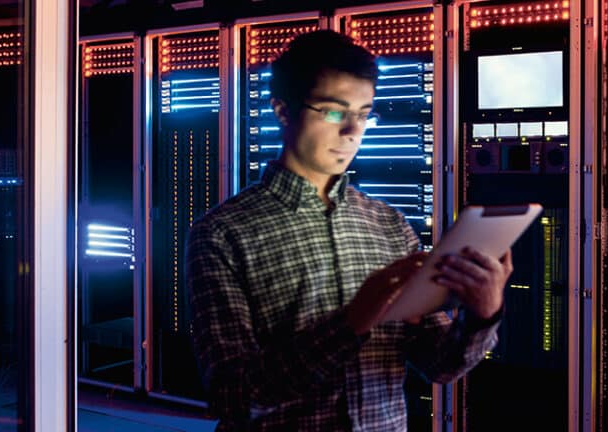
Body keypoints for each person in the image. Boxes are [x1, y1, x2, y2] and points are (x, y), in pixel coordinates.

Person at [185, 30, 513, 431]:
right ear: (283, 110)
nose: (353, 131)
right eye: (335, 112)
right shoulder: (221, 234)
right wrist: (351, 322)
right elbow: (232, 396)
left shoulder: (388, 224)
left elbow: (439, 365)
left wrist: (482, 313)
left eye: (364, 114)